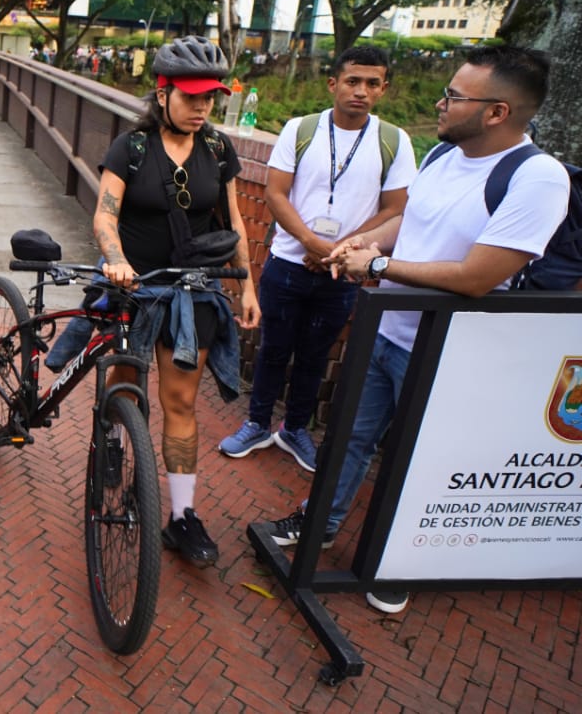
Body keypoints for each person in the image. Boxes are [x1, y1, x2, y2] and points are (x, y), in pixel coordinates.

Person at [268, 45, 570, 614]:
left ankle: (397, 559)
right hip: (387, 333)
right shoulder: (442, 156)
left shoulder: (537, 179)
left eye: (454, 96)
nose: (441, 102)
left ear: (497, 112)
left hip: (450, 350)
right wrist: (367, 242)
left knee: (419, 456)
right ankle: (322, 525)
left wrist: (379, 267)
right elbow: (411, 219)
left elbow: (479, 275)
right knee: (350, 437)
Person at [89, 36, 260, 568]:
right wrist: (115, 258)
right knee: (127, 386)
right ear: (161, 94)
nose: (202, 106)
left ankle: (182, 515)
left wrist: (246, 286)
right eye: (190, 96)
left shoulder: (217, 149)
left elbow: (233, 224)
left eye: (209, 97)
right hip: (135, 287)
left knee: (181, 404)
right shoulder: (132, 148)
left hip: (194, 291)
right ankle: (117, 439)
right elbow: (104, 214)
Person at [219, 46, 415, 472]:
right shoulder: (300, 129)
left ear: (383, 89)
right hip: (289, 262)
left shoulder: (394, 141)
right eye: (352, 81)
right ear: (334, 84)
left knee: (314, 354)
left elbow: (396, 208)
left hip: (345, 271)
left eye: (372, 83)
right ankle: (256, 423)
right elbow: (275, 193)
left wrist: (340, 250)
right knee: (273, 348)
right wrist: (311, 243)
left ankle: (293, 429)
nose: (361, 91)